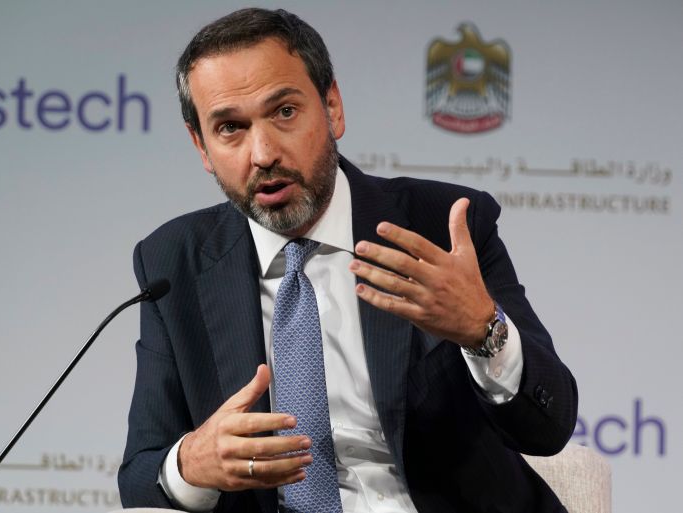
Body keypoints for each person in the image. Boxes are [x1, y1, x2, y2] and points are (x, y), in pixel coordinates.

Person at [118, 7, 578, 513]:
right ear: (201, 146)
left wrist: (482, 329)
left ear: (332, 107)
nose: (263, 153)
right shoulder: (173, 263)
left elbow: (549, 426)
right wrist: (191, 463)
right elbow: (140, 479)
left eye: (285, 112)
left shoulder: (443, 225)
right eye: (230, 128)